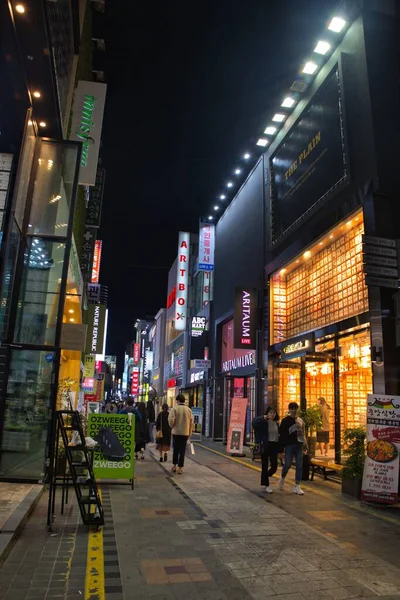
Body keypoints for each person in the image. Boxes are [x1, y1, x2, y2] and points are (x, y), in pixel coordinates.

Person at [278, 402, 308, 495]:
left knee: (299, 465)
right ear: (289, 409)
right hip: (289, 446)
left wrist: (305, 444)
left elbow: (303, 433)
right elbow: (282, 434)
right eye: (292, 408)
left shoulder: (300, 420)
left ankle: (297, 485)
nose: (294, 410)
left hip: (299, 445)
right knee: (287, 464)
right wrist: (281, 448)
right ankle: (282, 477)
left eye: (296, 408)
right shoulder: (285, 420)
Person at [252, 406, 280, 494]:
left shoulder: (277, 423)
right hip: (265, 445)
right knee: (265, 465)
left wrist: (281, 448)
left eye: (274, 413)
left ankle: (265, 477)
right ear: (267, 413)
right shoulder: (263, 422)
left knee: (274, 466)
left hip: (274, 445)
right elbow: (254, 423)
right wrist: (262, 417)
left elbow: (279, 435)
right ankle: (267, 485)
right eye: (271, 412)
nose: (272, 414)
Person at [168, 394, 193, 474]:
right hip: (185, 433)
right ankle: (180, 468)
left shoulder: (174, 409)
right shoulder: (188, 410)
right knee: (182, 450)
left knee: (175, 449)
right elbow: (191, 423)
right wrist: (189, 433)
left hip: (176, 432)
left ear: (177, 400)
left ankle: (174, 466)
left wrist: (172, 426)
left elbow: (171, 420)